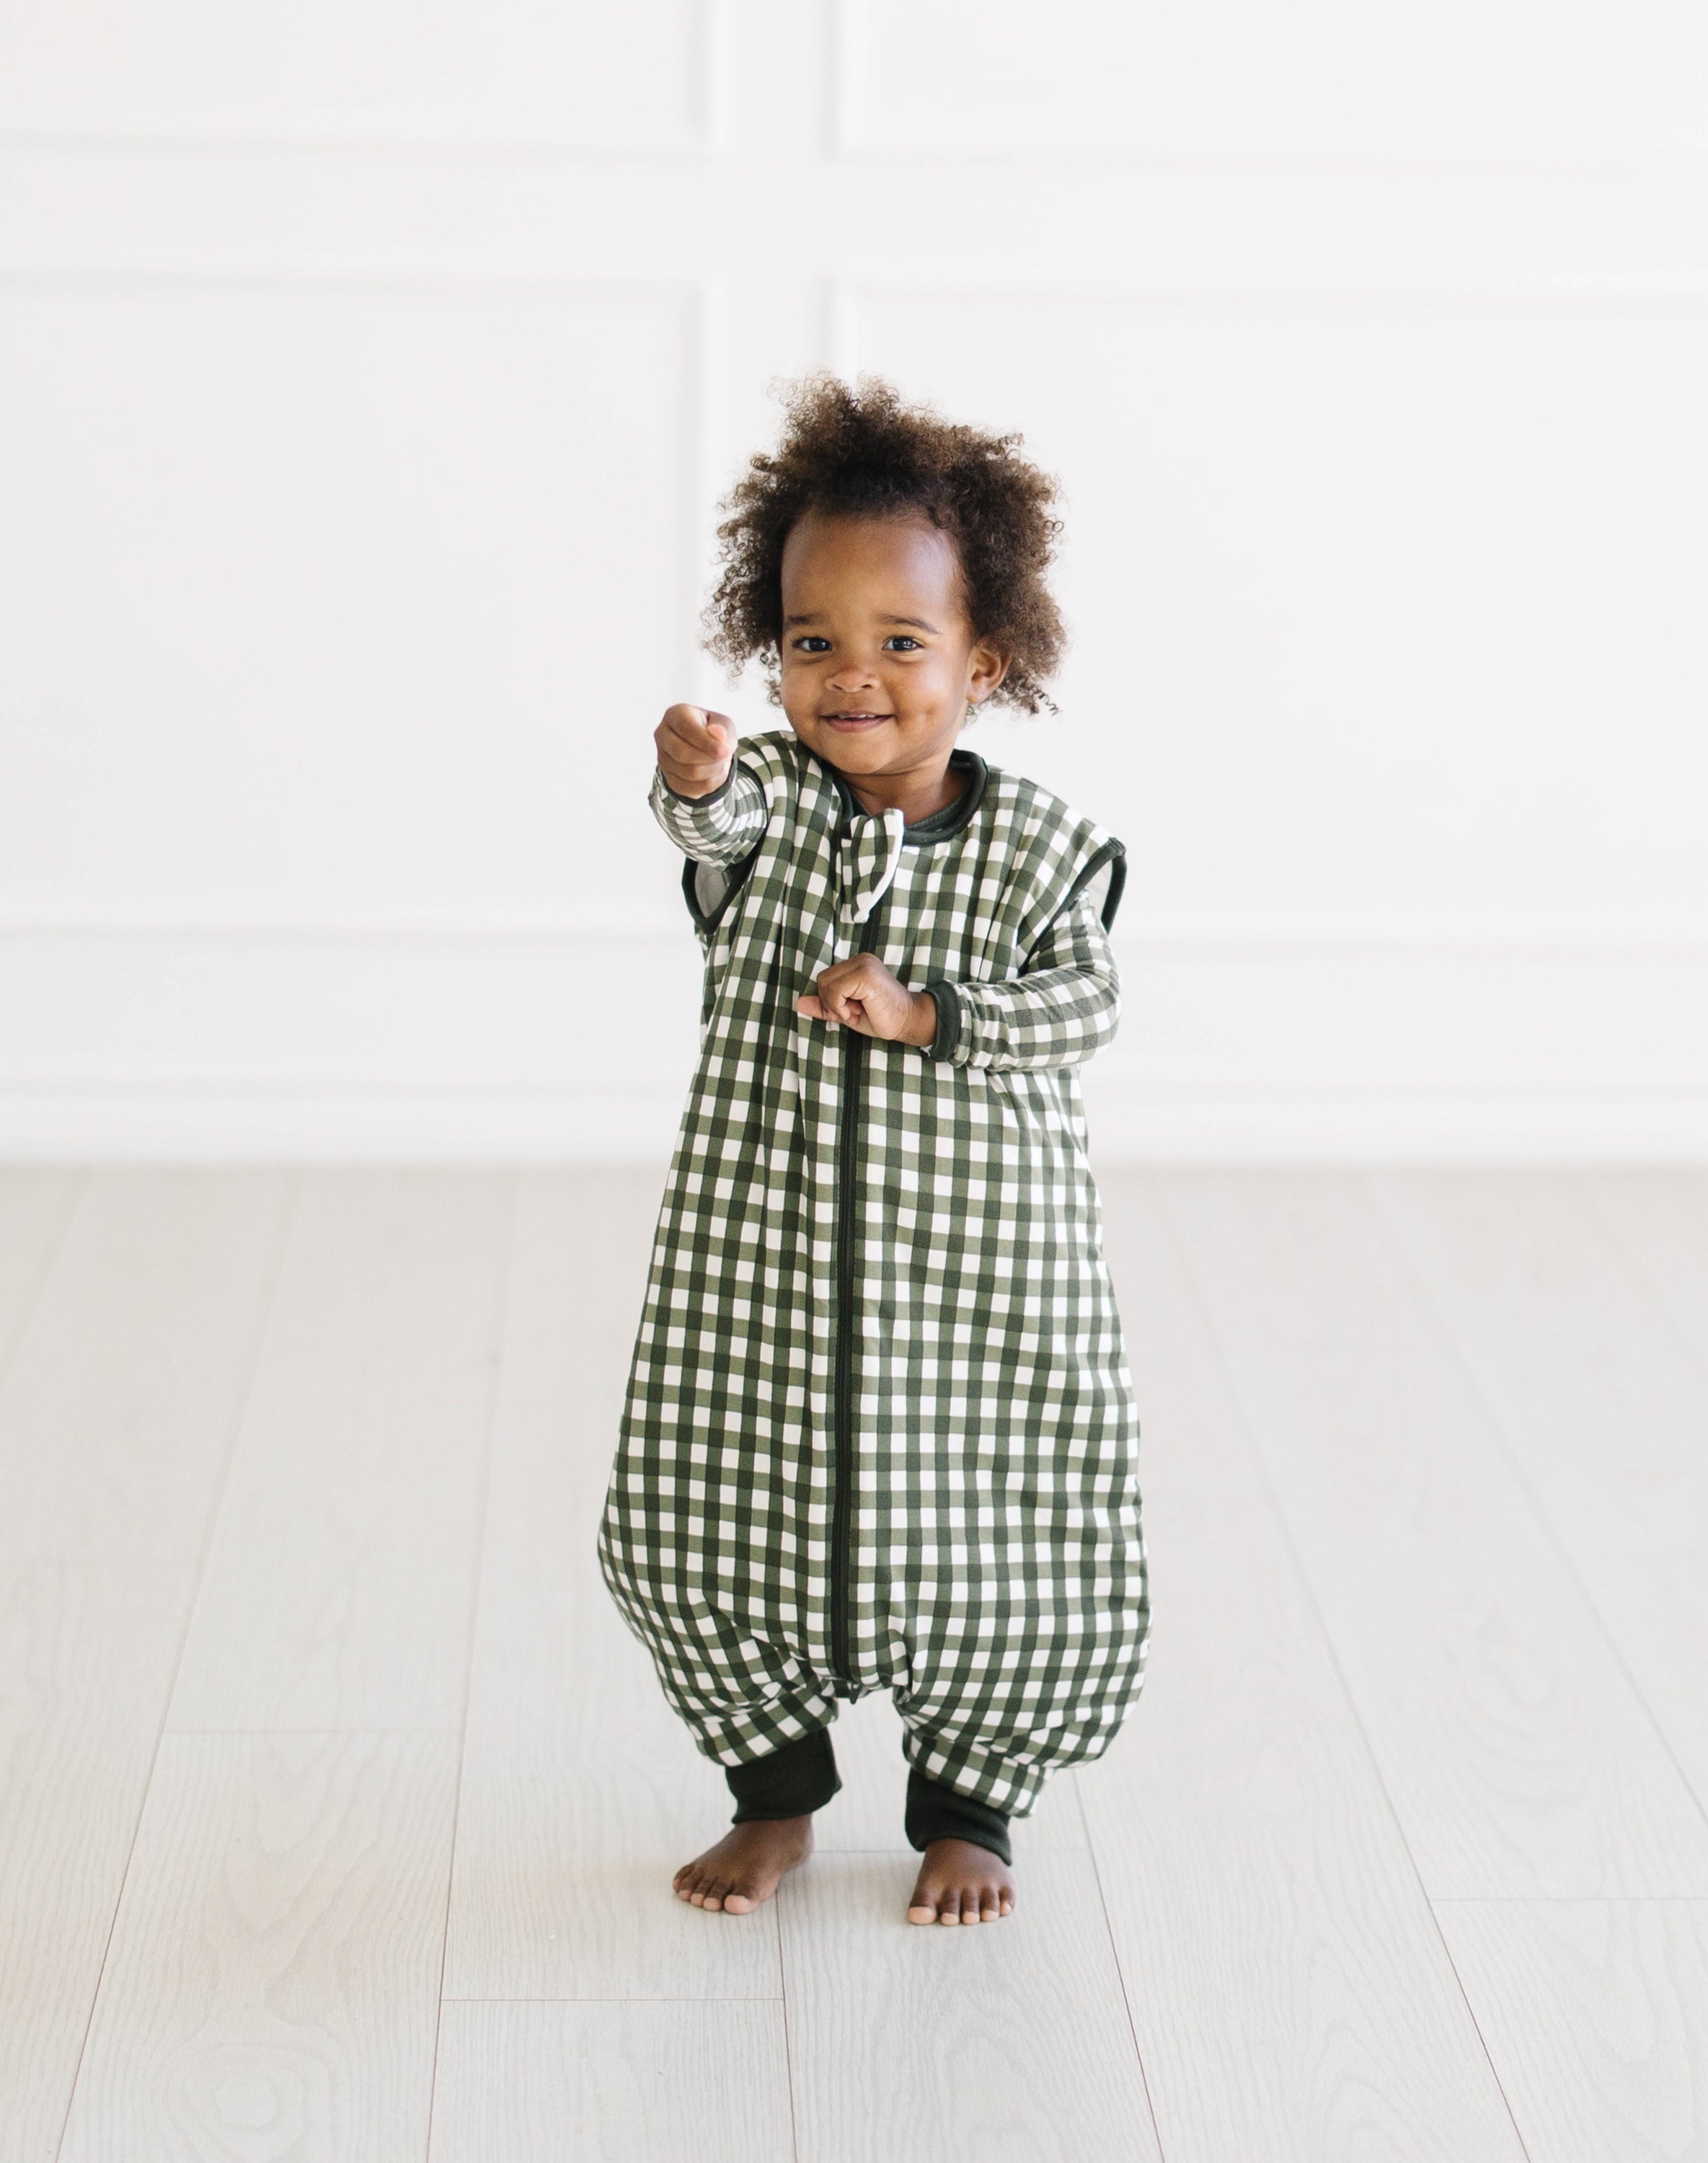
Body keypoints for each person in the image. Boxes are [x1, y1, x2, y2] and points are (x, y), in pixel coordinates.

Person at [598, 376, 1148, 1927]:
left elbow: (1083, 1002)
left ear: (987, 661)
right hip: (757, 1278)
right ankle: (771, 1793)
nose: (853, 677)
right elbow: (707, 834)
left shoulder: (1043, 851)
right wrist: (697, 781)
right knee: (699, 1528)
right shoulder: (768, 806)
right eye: (811, 642)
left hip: (975, 1294)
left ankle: (974, 1806)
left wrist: (922, 1016)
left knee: (1000, 1535)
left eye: (901, 644)